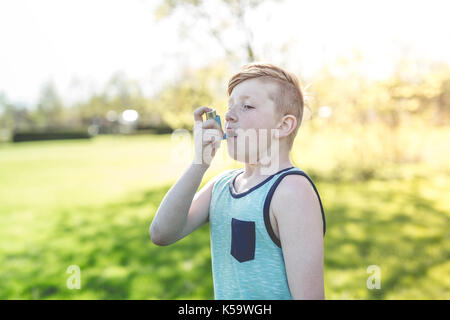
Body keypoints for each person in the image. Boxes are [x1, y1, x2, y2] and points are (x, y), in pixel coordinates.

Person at [150, 62, 326, 300]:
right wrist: (199, 164)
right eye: (229, 106)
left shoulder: (291, 191)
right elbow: (162, 233)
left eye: (247, 106)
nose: (229, 116)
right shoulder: (222, 185)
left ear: (283, 126)